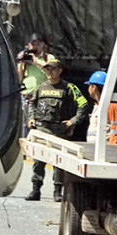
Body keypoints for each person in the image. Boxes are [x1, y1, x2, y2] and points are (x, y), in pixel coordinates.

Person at [27, 57, 89, 202]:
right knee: (38, 161)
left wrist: (73, 121)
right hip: (42, 129)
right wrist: (31, 118)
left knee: (58, 163)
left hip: (59, 131)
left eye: (53, 68)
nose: (50, 71)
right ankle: (36, 190)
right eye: (47, 69)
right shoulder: (41, 88)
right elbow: (32, 104)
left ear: (60, 70)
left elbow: (83, 104)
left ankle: (57, 191)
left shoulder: (69, 88)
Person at [17, 34, 54, 134]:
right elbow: (20, 78)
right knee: (25, 123)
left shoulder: (48, 57)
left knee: (40, 123)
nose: (35, 46)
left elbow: (52, 70)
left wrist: (35, 61)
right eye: (32, 43)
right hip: (26, 95)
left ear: (43, 45)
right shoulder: (27, 57)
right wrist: (21, 63)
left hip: (42, 96)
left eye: (37, 43)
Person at [85, 71, 117, 145]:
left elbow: (116, 132)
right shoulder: (97, 106)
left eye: (89, 85)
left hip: (105, 150)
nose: (88, 89)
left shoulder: (112, 106)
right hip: (94, 149)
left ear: (94, 87)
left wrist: (113, 150)